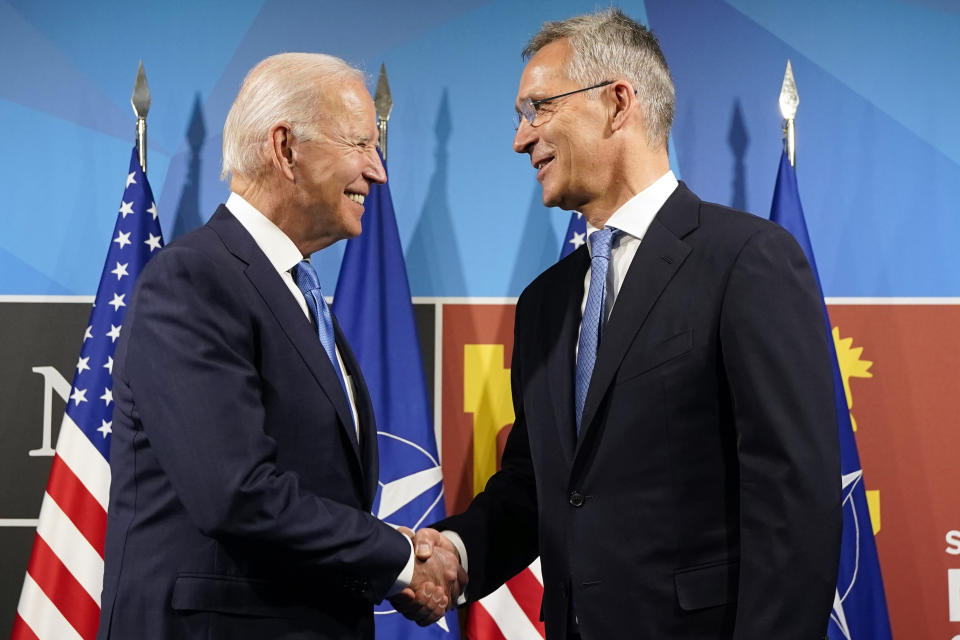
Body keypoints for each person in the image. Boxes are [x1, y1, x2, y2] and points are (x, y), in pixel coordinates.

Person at [409, 9, 841, 639]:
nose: (520, 138)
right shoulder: (544, 304)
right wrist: (456, 553)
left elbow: (793, 507)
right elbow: (539, 487)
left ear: (617, 103)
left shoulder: (746, 261)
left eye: (538, 108)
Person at [97, 53, 463, 640]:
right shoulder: (194, 281)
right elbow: (236, 494)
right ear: (285, 148)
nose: (379, 171)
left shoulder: (298, 291)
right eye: (361, 145)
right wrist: (400, 559)